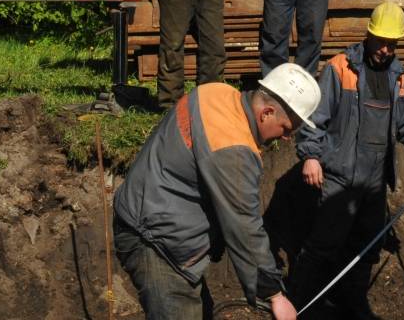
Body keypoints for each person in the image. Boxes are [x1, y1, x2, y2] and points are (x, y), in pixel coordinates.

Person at [112, 62, 321, 320]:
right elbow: (244, 227)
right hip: (156, 242)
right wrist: (275, 296)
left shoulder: (215, 92)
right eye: (287, 129)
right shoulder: (234, 149)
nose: (287, 138)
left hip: (147, 213)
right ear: (266, 113)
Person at [290, 2, 404, 319]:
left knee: (367, 245)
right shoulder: (340, 69)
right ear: (369, 35)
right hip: (340, 175)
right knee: (324, 243)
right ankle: (299, 304)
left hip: (374, 180)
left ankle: (352, 300)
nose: (386, 50)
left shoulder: (396, 78)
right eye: (381, 42)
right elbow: (312, 119)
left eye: (393, 44)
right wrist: (311, 156)